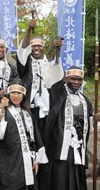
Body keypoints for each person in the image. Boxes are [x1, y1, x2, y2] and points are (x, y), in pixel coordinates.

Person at [45, 58, 93, 190]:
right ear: (66, 79)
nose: (76, 82)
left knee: (77, 177)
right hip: (61, 145)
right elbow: (55, 77)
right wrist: (57, 52)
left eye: (79, 80)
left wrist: (94, 119)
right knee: (61, 178)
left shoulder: (85, 100)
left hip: (78, 145)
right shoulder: (59, 94)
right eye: (73, 79)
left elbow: (88, 123)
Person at [0, 80, 48, 189]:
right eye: (13, 93)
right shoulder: (1, 112)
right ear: (8, 94)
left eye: (19, 93)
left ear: (24, 95)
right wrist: (3, 108)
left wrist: (36, 159)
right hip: (9, 162)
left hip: (27, 159)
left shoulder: (28, 114)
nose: (16, 96)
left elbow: (35, 137)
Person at [16, 19, 53, 138]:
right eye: (34, 46)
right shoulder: (25, 63)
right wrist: (28, 29)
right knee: (30, 136)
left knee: (46, 136)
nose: (36, 48)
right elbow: (22, 51)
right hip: (30, 106)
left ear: (43, 47)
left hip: (47, 106)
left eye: (39, 45)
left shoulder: (49, 64)